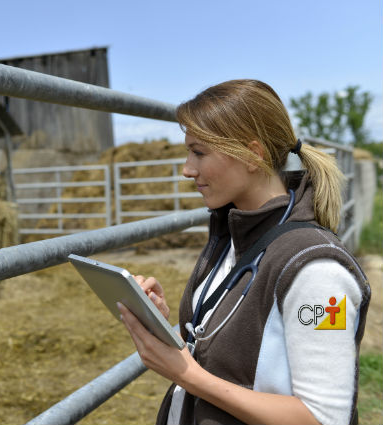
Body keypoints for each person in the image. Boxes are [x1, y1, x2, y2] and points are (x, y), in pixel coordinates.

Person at [117, 79, 370, 425]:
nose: (187, 169)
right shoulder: (231, 236)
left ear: (253, 154)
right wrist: (163, 327)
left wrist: (188, 375)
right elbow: (233, 354)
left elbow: (324, 419)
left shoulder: (319, 272)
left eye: (199, 152)